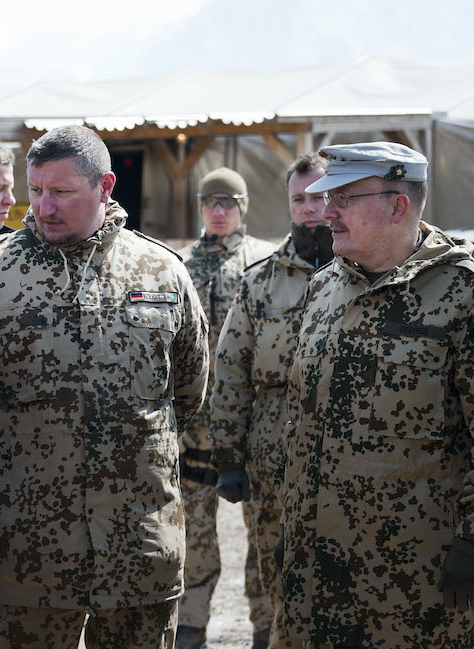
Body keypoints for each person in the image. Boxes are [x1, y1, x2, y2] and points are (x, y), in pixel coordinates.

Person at [0, 125, 209, 648]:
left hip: (136, 546)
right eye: (36, 190)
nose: (43, 207)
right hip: (22, 553)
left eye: (61, 192)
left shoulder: (162, 272)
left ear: (105, 186)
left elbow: (189, 392)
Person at [281, 142, 474, 648]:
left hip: (414, 584)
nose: (326, 212)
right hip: (316, 578)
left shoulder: (462, 293)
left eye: (343, 198)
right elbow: (301, 419)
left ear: (397, 206)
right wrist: (292, 525)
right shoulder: (324, 287)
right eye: (327, 198)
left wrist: (471, 545)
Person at [208, 152, 332, 649]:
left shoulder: (367, 272)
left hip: (350, 465)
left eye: (319, 197)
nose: (309, 208)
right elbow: (232, 372)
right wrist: (228, 457)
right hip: (272, 463)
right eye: (299, 199)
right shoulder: (261, 281)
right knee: (280, 584)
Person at [176, 167, 277, 649]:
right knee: (193, 536)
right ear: (200, 206)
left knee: (263, 534)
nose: (219, 211)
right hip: (193, 432)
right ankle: (191, 626)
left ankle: (267, 628)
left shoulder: (266, 263)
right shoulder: (180, 265)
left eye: (228, 202)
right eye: (210, 202)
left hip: (250, 428)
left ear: (243, 207)